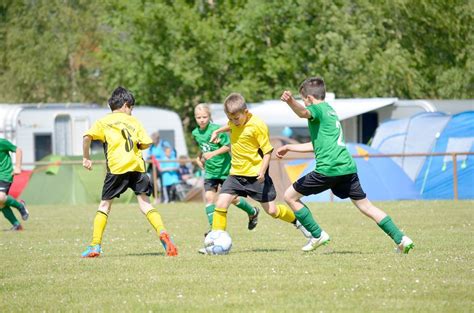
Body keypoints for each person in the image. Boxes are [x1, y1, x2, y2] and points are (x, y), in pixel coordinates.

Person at [277, 77, 414, 253]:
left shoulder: (316, 109)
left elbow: (303, 113)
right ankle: (401, 238)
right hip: (347, 168)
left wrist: (290, 102)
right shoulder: (330, 112)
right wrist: (289, 147)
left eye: (304, 100)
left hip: (329, 168)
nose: (305, 104)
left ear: (309, 99)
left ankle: (317, 234)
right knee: (366, 206)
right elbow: (317, 145)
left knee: (289, 196)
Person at [81, 86, 178, 257]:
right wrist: (139, 145)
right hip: (137, 167)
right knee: (145, 203)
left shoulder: (104, 121)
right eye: (131, 108)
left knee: (104, 205)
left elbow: (87, 137)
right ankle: (162, 232)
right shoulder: (134, 121)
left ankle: (95, 245)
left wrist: (86, 157)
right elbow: (146, 143)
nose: (131, 112)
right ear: (126, 105)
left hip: (117, 168)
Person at [208, 93, 311, 247]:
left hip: (255, 175)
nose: (233, 122)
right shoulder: (233, 122)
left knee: (272, 211)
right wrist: (217, 131)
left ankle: (298, 222)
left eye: (236, 118)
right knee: (221, 203)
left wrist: (262, 171)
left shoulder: (258, 125)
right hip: (236, 173)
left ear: (246, 112)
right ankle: (215, 242)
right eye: (230, 119)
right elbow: (229, 126)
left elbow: (268, 151)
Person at [192, 103, 261, 241]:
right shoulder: (195, 133)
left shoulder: (217, 130)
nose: (202, 120)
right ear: (195, 118)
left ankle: (252, 211)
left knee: (233, 199)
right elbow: (203, 147)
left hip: (225, 170)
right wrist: (199, 157)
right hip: (210, 172)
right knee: (210, 199)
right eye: (198, 117)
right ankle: (213, 230)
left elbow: (228, 146)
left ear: (209, 116)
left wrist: (212, 154)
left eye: (204, 117)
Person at [0, 138, 29, 231]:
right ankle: (17, 225)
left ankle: (20, 206)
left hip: (4, 174)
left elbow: (18, 150)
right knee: (0, 203)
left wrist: (17, 167)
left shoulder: (2, 142)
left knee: (0, 197)